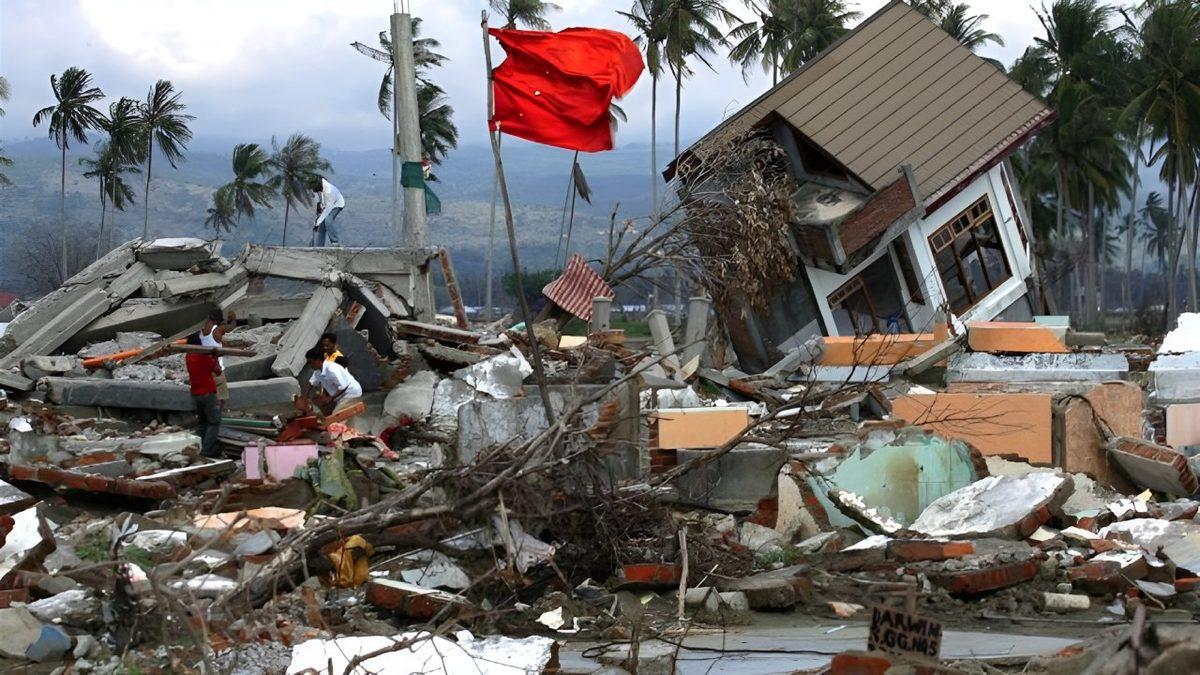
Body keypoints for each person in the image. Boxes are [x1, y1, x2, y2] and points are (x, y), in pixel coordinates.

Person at [184, 333, 223, 458]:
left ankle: (197, 448)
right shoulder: (204, 357)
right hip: (208, 393)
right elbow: (217, 371)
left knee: (202, 422)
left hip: (195, 394)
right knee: (214, 422)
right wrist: (215, 357)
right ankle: (207, 450)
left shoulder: (188, 356)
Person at [304, 347, 362, 415]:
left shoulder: (331, 369)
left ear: (318, 360)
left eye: (311, 362)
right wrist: (306, 395)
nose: (310, 365)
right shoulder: (317, 371)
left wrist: (330, 398)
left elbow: (343, 387)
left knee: (336, 416)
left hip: (350, 393)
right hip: (338, 396)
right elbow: (312, 382)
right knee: (323, 411)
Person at [200, 309, 235, 408]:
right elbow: (231, 327)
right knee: (221, 398)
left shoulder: (202, 330)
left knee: (207, 396)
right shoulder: (217, 330)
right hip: (216, 369)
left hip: (203, 368)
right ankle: (218, 413)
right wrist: (233, 319)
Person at [312, 176, 345, 247]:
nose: (317, 192)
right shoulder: (320, 185)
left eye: (317, 190)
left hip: (337, 204)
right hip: (327, 204)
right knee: (321, 226)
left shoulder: (329, 191)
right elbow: (319, 199)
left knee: (328, 220)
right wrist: (319, 211)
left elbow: (328, 210)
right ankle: (319, 246)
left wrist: (317, 222)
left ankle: (335, 242)